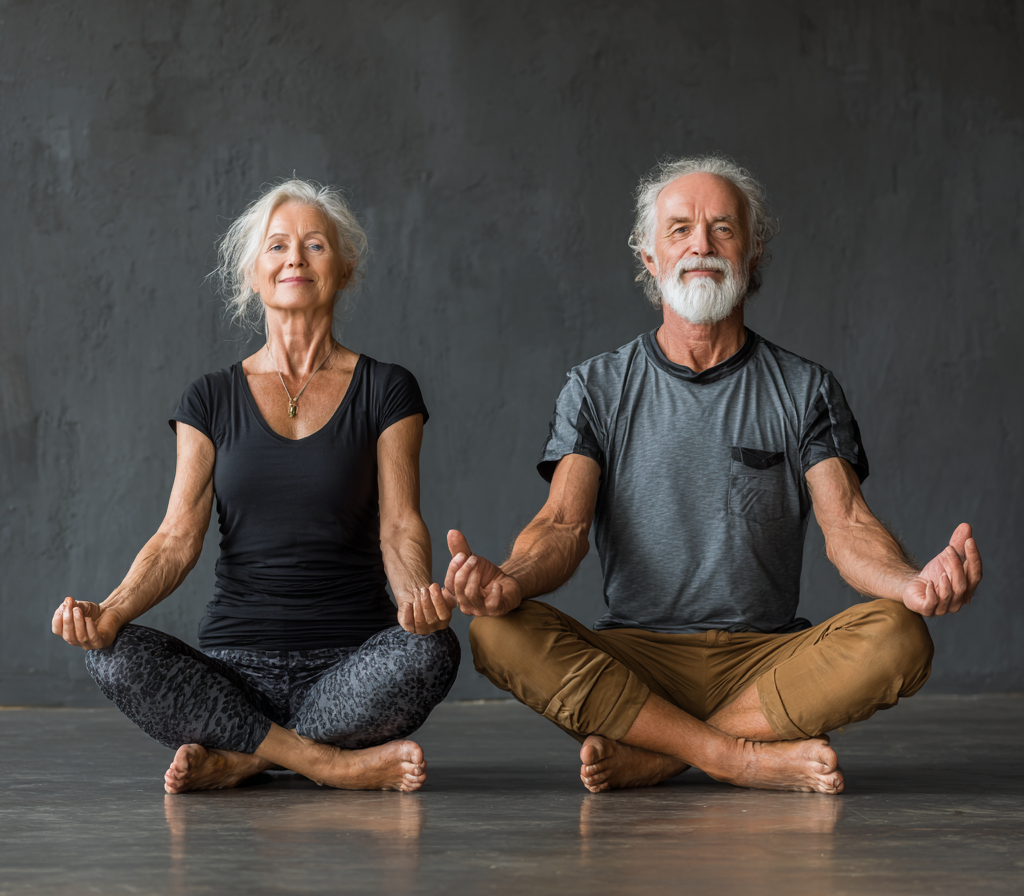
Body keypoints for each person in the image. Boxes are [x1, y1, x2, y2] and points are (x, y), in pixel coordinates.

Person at [443, 154, 982, 795]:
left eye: (723, 228)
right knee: (496, 631)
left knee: (900, 634)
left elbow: (849, 526)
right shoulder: (595, 387)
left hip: (766, 659)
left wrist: (911, 583)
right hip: (635, 659)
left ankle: (661, 753)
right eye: (679, 230)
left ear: (752, 254)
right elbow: (563, 525)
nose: (701, 244)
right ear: (650, 258)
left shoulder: (807, 388)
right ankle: (742, 757)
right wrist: (507, 582)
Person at [52, 179, 459, 794]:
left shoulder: (387, 389)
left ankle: (247, 755)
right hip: (233, 670)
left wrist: (415, 601)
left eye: (315, 244)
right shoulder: (209, 397)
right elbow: (175, 538)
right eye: (277, 246)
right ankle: (329, 762)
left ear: (344, 269)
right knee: (111, 654)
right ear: (252, 275)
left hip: (351, 667)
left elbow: (400, 525)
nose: (295, 257)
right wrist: (107, 613)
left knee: (434, 649)